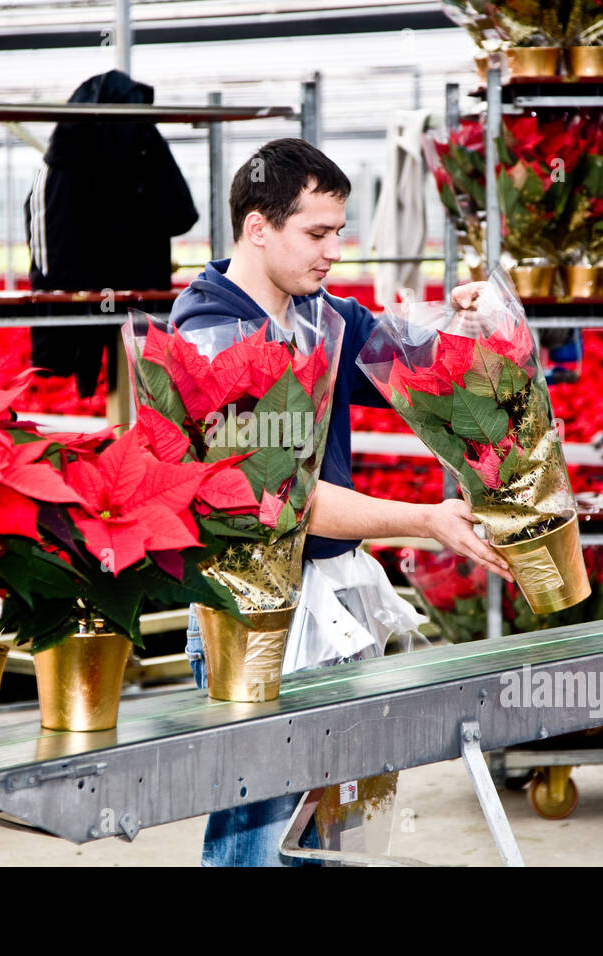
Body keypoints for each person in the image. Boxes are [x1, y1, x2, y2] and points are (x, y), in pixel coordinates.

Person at [171, 137, 515, 866]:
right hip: (250, 617)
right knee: (258, 833)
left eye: (339, 232)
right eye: (317, 233)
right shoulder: (211, 331)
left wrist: (475, 325)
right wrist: (425, 521)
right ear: (258, 227)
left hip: (328, 597)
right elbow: (279, 499)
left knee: (338, 831)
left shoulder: (319, 313)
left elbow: (415, 365)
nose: (334, 251)